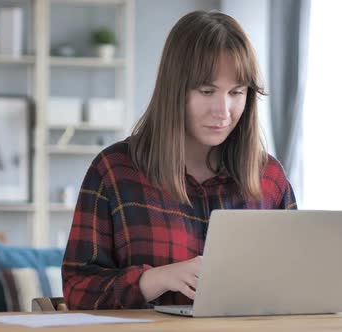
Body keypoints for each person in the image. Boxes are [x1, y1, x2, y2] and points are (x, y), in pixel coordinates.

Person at [61, 10, 297, 310]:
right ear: (175, 90)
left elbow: (293, 284)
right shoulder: (114, 172)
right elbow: (77, 290)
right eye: (207, 91)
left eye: (236, 92)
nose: (223, 111)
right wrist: (155, 280)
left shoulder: (270, 178)